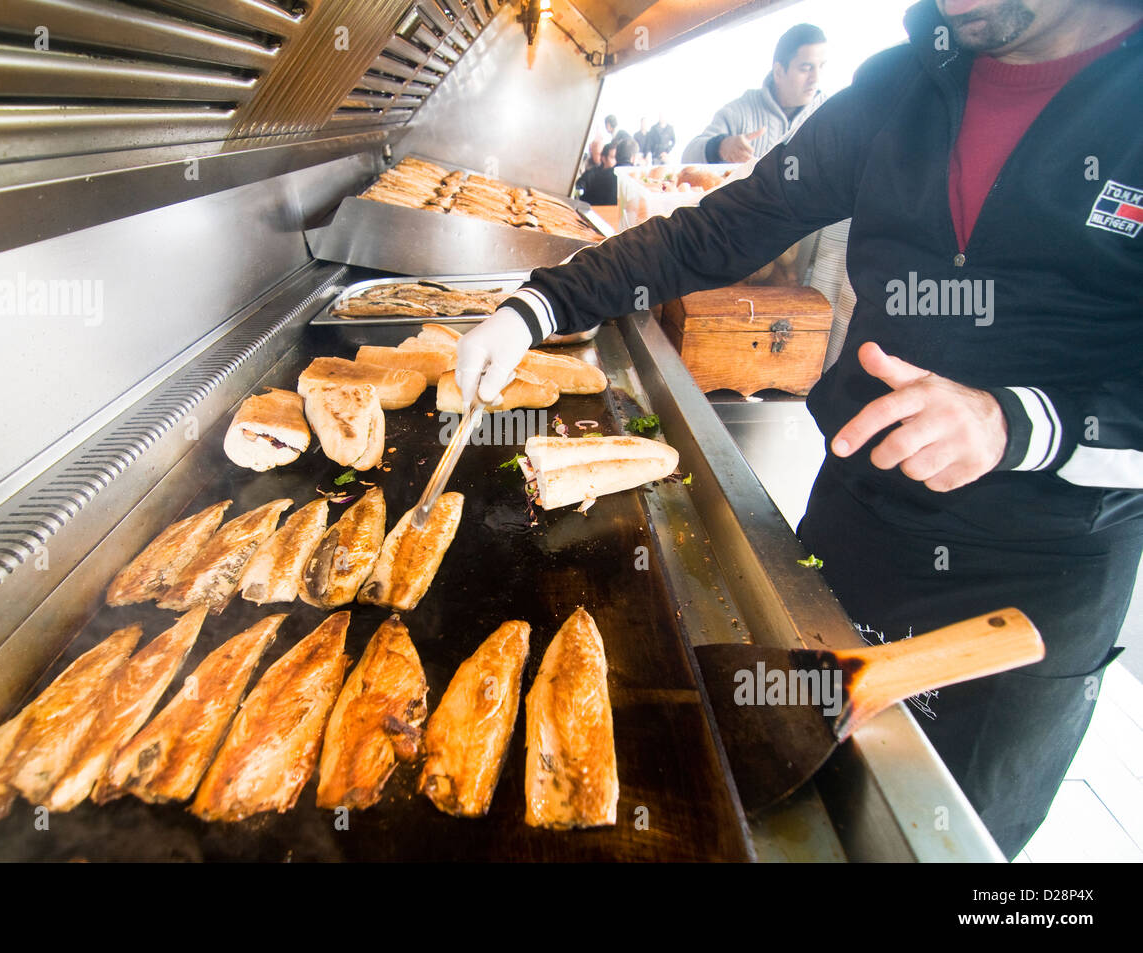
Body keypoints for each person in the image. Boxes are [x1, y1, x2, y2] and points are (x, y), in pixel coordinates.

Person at [457, 0, 1143, 860]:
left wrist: (1020, 421)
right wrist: (540, 302)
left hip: (1031, 575)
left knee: (932, 837)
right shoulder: (904, 80)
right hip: (854, 523)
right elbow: (726, 227)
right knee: (795, 816)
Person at [682, 23, 828, 164]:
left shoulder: (832, 113)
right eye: (806, 68)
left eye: (821, 67)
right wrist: (720, 148)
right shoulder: (738, 113)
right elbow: (688, 157)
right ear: (778, 72)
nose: (816, 78)